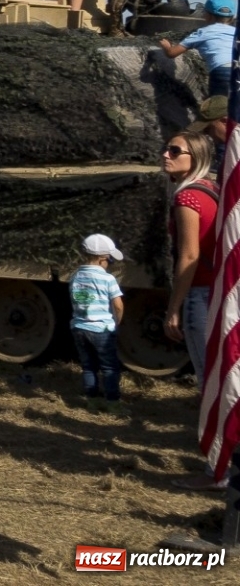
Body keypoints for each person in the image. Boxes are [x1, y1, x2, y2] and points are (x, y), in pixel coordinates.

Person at [162, 130, 226, 489]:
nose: (166, 154)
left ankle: (218, 471)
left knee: (210, 384)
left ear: (195, 157)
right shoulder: (213, 190)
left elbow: (188, 256)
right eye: (167, 148)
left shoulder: (188, 196)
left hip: (200, 295)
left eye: (176, 150)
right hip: (218, 293)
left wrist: (174, 306)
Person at [71, 233, 126, 412]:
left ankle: (92, 401)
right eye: (109, 259)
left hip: (79, 327)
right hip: (102, 328)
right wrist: (117, 323)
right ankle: (113, 403)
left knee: (88, 367)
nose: (109, 263)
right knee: (109, 367)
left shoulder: (75, 277)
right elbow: (118, 305)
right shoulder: (107, 279)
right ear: (103, 258)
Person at [161, 0, 237, 98]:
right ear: (232, 17)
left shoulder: (202, 33)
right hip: (237, 69)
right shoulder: (236, 32)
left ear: (208, 16)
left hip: (222, 71)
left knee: (220, 108)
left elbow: (172, 53)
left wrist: (167, 46)